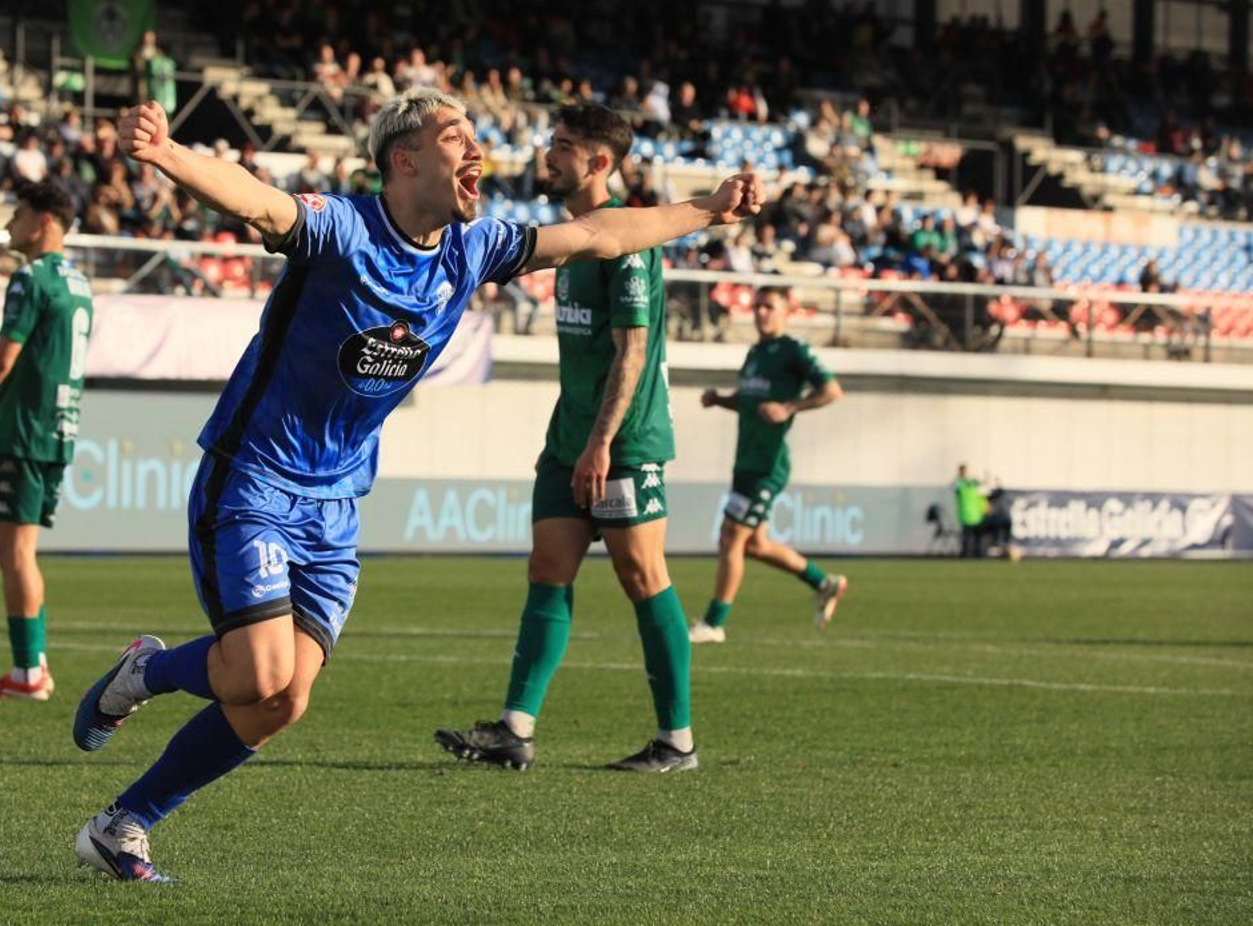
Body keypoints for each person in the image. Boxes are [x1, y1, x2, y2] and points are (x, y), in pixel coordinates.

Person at [67, 90, 761, 882]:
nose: (479, 152)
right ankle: (145, 672)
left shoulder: (472, 247)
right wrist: (165, 154)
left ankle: (121, 825)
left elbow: (603, 233)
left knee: (283, 700)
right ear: (404, 160)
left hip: (336, 504)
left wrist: (707, 209)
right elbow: (260, 203)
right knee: (258, 672)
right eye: (457, 138)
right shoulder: (342, 229)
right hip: (255, 477)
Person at [434, 103, 693, 775]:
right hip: (567, 436)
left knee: (643, 577)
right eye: (552, 142)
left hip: (623, 441)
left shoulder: (627, 241)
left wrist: (604, 442)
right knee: (548, 568)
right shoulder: (573, 240)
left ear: (600, 162)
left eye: (564, 146)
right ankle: (515, 730)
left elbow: (632, 353)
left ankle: (676, 741)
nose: (549, 155)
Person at [0, 182, 93, 700]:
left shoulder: (31, 278)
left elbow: (4, 358)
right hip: (61, 429)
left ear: (45, 221)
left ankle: (29, 674)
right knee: (25, 552)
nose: (9, 225)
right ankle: (33, 668)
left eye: (19, 214)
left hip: (24, 430)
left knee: (15, 554)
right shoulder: (80, 283)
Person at [690, 286, 847, 643]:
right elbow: (751, 402)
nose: (761, 312)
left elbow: (832, 391)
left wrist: (789, 407)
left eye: (769, 306)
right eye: (757, 306)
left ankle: (714, 623)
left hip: (767, 466)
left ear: (786, 311)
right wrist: (721, 400)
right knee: (755, 545)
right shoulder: (755, 353)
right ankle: (824, 582)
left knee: (730, 536)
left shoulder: (793, 351)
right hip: (745, 461)